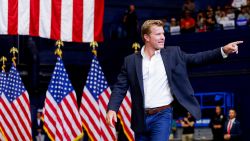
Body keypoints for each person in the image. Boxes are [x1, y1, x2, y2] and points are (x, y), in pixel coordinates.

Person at [106, 19, 243, 141]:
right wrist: (112, 109)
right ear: (146, 37)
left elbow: (198, 58)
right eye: (158, 34)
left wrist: (223, 50)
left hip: (162, 115)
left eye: (163, 34)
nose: (163, 37)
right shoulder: (130, 61)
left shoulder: (173, 53)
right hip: (140, 118)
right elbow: (120, 87)